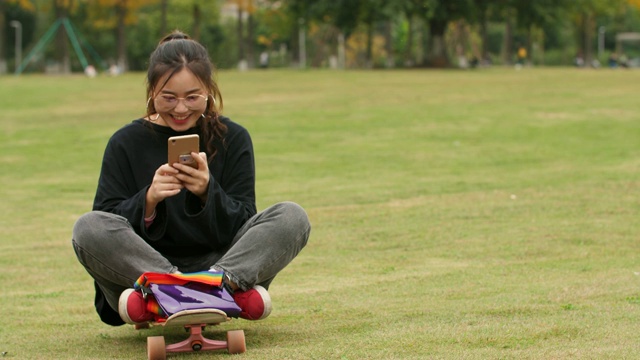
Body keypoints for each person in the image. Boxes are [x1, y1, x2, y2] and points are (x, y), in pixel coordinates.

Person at [71, 31, 311, 326]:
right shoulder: (125, 142)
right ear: (151, 93)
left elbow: (244, 223)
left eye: (192, 97)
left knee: (292, 217)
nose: (181, 109)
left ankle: (177, 295)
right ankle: (203, 293)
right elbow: (105, 223)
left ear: (209, 91)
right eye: (168, 98)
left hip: (220, 265)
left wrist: (208, 192)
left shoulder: (233, 138)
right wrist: (148, 200)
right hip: (144, 268)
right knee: (87, 227)